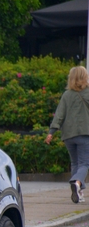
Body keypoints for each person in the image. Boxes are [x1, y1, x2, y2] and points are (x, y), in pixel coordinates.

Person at [45, 66, 89, 203]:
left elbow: (59, 115)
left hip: (68, 135)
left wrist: (51, 132)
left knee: (75, 163)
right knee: (84, 163)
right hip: (84, 133)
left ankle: (78, 193)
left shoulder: (66, 95)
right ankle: (76, 183)